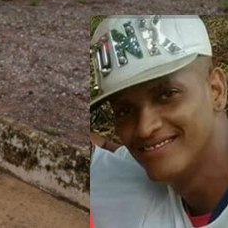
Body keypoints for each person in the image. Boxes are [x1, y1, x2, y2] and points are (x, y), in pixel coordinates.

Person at [90, 15, 228, 227]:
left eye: (167, 94)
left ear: (215, 90)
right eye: (124, 110)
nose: (145, 128)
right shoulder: (125, 180)